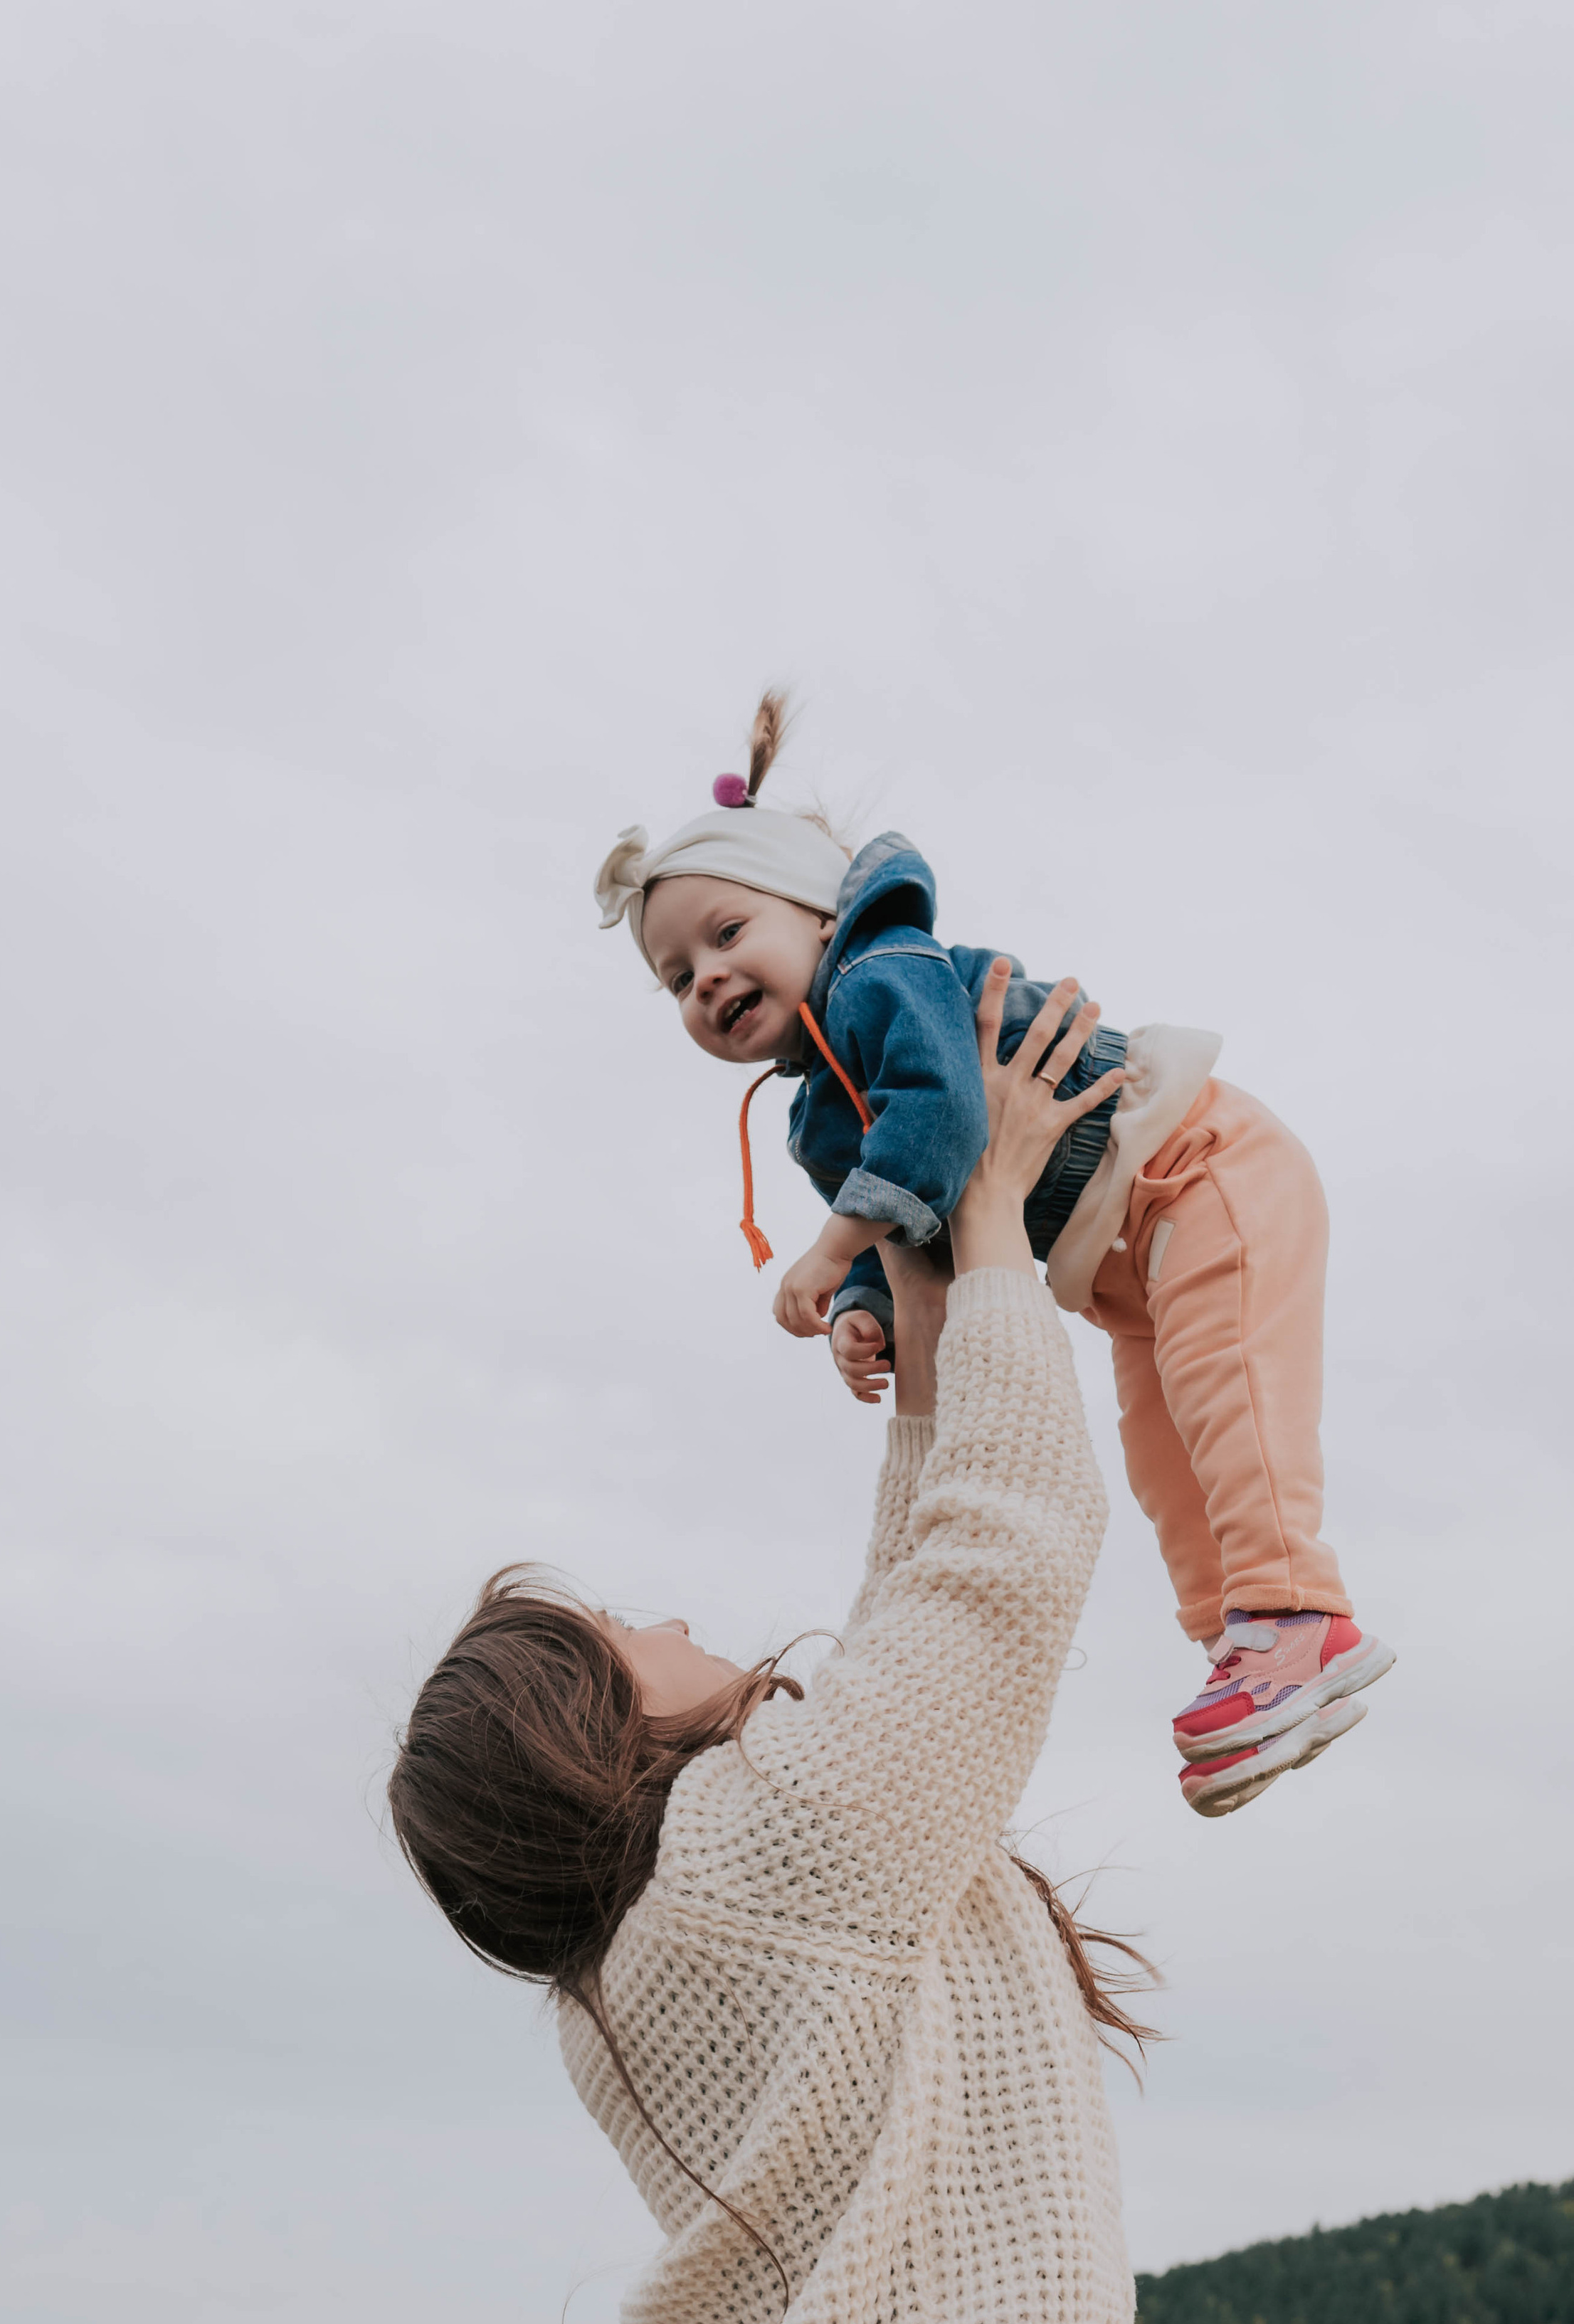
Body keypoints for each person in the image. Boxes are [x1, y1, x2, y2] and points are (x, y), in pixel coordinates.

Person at [389, 972, 1153, 2324]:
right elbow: (1000, 1558)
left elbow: (900, 1637)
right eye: (624, 1632)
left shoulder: (659, 1933)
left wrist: (921, 1313)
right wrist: (985, 1213)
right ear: (597, 1733)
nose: (667, 1616)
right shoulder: (757, 1859)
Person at [593, 693, 1394, 1818]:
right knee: (1165, 1459)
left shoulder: (885, 973)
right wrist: (862, 1305)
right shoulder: (815, 1116)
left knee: (1231, 1402)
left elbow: (939, 1119)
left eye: (727, 935)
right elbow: (902, 1222)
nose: (708, 979)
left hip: (1198, 1172)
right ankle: (1247, 1649)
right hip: (1126, 1270)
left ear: (821, 915)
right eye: (679, 977)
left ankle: (1296, 1616)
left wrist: (826, 1251)